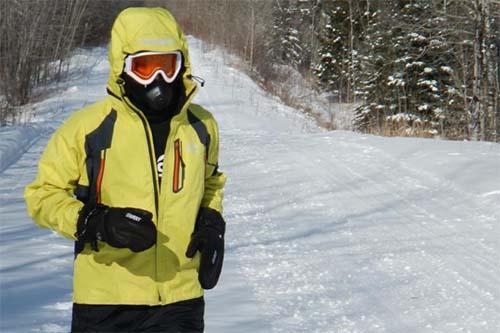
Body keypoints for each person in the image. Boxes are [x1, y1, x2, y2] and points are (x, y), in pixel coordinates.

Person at [24, 7, 226, 333]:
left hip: (180, 297)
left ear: (182, 64)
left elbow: (212, 182)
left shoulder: (201, 127)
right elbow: (42, 196)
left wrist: (212, 222)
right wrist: (95, 222)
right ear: (122, 65)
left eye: (167, 66)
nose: (158, 80)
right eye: (145, 67)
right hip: (106, 299)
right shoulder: (88, 129)